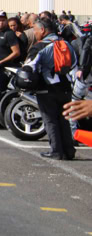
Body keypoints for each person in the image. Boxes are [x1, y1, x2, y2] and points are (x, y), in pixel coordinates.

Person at [24, 19, 77, 160]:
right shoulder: (66, 44)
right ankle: (69, 151)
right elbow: (74, 64)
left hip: (46, 88)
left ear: (42, 30)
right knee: (64, 119)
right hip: (65, 88)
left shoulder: (40, 46)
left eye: (35, 30)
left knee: (50, 120)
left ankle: (56, 151)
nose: (35, 33)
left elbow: (29, 67)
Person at [0, 11, 21, 127]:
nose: (1, 22)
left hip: (6, 69)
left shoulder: (9, 34)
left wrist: (1, 62)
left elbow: (16, 52)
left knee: (1, 94)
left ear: (6, 21)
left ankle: (0, 120)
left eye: (3, 20)